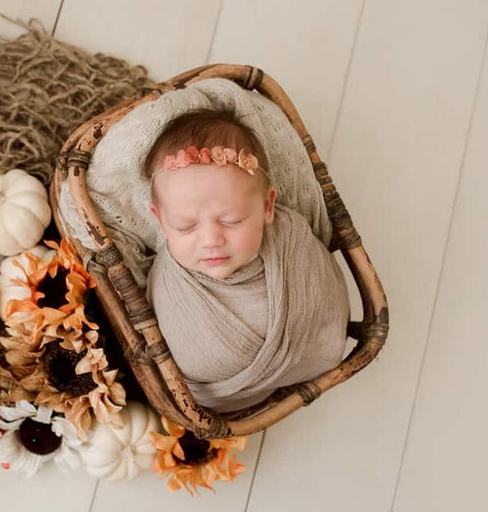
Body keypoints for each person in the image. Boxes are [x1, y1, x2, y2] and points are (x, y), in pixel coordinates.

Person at [144, 110, 350, 413]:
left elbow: (326, 303)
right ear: (160, 222)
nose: (211, 239)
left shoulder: (290, 237)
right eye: (185, 226)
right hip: (217, 394)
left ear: (267, 206)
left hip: (305, 354)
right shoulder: (168, 280)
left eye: (232, 220)